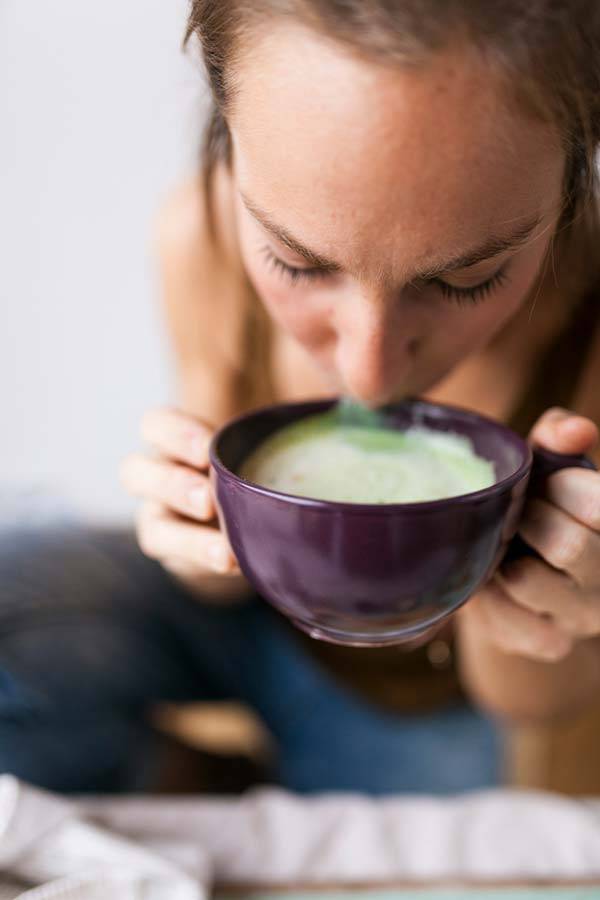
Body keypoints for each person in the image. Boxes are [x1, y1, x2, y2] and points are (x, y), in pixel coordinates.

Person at [2, 0, 600, 795]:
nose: (370, 376)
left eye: (467, 278)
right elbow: (213, 583)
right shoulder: (197, 237)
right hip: (244, 620)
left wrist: (536, 602)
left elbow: (530, 704)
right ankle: (206, 785)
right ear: (225, 134)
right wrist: (195, 526)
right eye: (296, 262)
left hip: (422, 701)